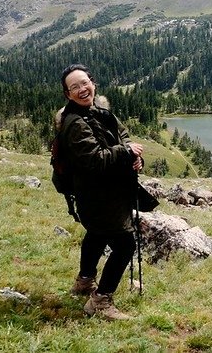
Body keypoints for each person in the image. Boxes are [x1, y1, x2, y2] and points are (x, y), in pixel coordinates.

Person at [55, 63, 144, 320]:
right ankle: (101, 301)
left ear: (92, 83)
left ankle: (84, 282)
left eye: (85, 83)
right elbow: (95, 160)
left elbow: (122, 135)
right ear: (68, 94)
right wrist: (125, 152)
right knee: (125, 245)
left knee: (96, 235)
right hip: (98, 197)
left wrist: (133, 156)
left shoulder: (100, 112)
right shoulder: (75, 124)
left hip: (105, 194)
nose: (82, 89)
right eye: (74, 87)